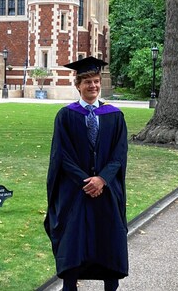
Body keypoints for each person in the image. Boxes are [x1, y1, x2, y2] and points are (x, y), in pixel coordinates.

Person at [44, 57, 128, 291]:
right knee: (73, 240)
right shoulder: (66, 115)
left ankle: (110, 286)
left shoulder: (114, 116)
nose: (93, 86)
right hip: (75, 190)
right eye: (88, 82)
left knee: (108, 237)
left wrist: (102, 179)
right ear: (78, 85)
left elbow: (119, 154)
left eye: (96, 81)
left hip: (107, 189)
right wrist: (86, 181)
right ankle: (70, 286)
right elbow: (61, 154)